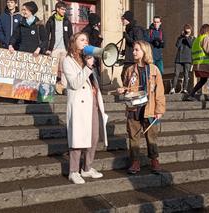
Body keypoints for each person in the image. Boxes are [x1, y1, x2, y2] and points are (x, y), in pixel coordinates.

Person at [63, 32, 108, 184]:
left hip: (92, 103)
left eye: (86, 40)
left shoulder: (86, 59)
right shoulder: (68, 60)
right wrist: (88, 67)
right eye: (82, 39)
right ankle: (73, 171)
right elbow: (75, 84)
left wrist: (90, 64)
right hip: (79, 105)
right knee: (77, 139)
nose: (85, 42)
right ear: (73, 42)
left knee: (93, 137)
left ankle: (87, 168)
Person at [116, 40, 166, 174]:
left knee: (151, 137)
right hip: (134, 109)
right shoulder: (129, 70)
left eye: (137, 50)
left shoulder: (154, 70)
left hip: (150, 109)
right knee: (134, 137)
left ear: (144, 51)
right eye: (133, 50)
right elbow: (128, 88)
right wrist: (124, 90)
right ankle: (135, 162)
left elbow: (160, 91)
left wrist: (159, 110)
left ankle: (154, 160)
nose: (133, 52)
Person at [183, 24, 209, 101]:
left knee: (203, 80)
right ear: (207, 31)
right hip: (206, 63)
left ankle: (192, 94)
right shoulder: (205, 38)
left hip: (199, 63)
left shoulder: (197, 39)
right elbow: (208, 49)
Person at [45, 1, 73, 94]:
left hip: (65, 49)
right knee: (53, 69)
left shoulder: (67, 21)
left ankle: (63, 88)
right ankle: (51, 88)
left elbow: (70, 36)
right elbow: (46, 35)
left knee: (64, 69)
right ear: (57, 9)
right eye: (62, 9)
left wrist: (71, 49)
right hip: (54, 49)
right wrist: (48, 49)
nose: (64, 11)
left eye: (65, 10)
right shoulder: (51, 20)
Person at [170, 24, 194, 94]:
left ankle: (185, 89)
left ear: (191, 31)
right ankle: (173, 88)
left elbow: (191, 45)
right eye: (186, 32)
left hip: (187, 59)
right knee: (176, 74)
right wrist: (181, 37)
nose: (187, 33)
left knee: (186, 74)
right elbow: (177, 45)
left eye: (188, 32)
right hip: (179, 58)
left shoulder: (192, 38)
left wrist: (187, 37)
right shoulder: (180, 38)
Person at [120, 10, 144, 82]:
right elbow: (130, 45)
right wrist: (124, 51)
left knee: (128, 76)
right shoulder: (128, 29)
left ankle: (131, 90)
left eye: (123, 19)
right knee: (124, 76)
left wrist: (126, 36)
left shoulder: (136, 30)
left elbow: (137, 44)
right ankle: (129, 90)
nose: (122, 21)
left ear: (128, 19)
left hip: (133, 59)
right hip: (128, 58)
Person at [82, 13, 103, 78]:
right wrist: (99, 38)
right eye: (98, 22)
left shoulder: (88, 29)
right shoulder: (91, 31)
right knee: (92, 77)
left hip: (91, 56)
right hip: (90, 56)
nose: (99, 24)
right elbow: (94, 44)